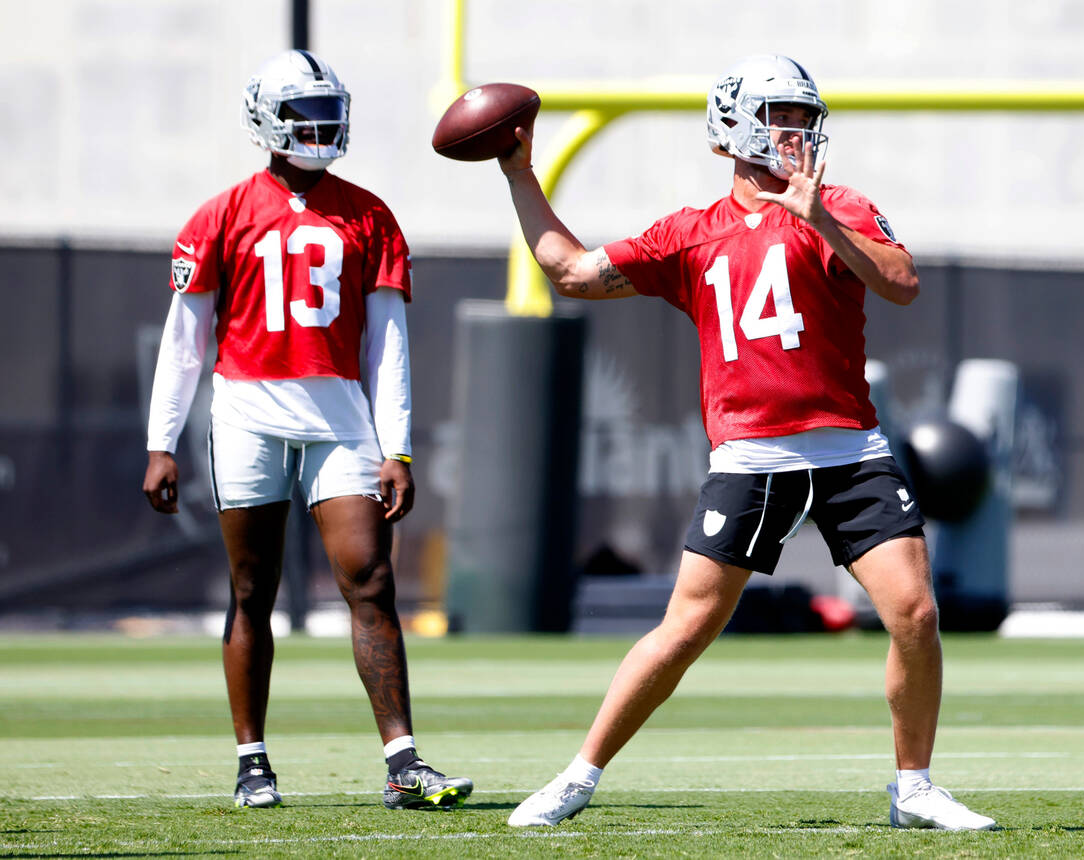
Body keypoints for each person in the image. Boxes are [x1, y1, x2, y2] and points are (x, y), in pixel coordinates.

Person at [497, 54, 996, 831]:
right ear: (731, 130)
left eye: (803, 118)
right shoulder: (689, 235)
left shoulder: (841, 206)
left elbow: (901, 284)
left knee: (916, 613)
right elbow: (570, 272)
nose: (796, 134)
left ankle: (915, 787)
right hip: (751, 457)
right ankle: (577, 776)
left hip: (848, 449)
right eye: (779, 118)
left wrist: (819, 218)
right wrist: (518, 174)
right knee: (686, 628)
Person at [141, 49, 472, 811]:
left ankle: (403, 762)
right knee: (252, 589)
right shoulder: (222, 213)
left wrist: (399, 445)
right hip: (248, 411)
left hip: (339, 416)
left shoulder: (369, 213)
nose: (320, 127)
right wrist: (162, 441)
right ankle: (252, 761)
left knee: (373, 581)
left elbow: (387, 341)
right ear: (265, 120)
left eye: (329, 112)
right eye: (304, 115)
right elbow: (185, 338)